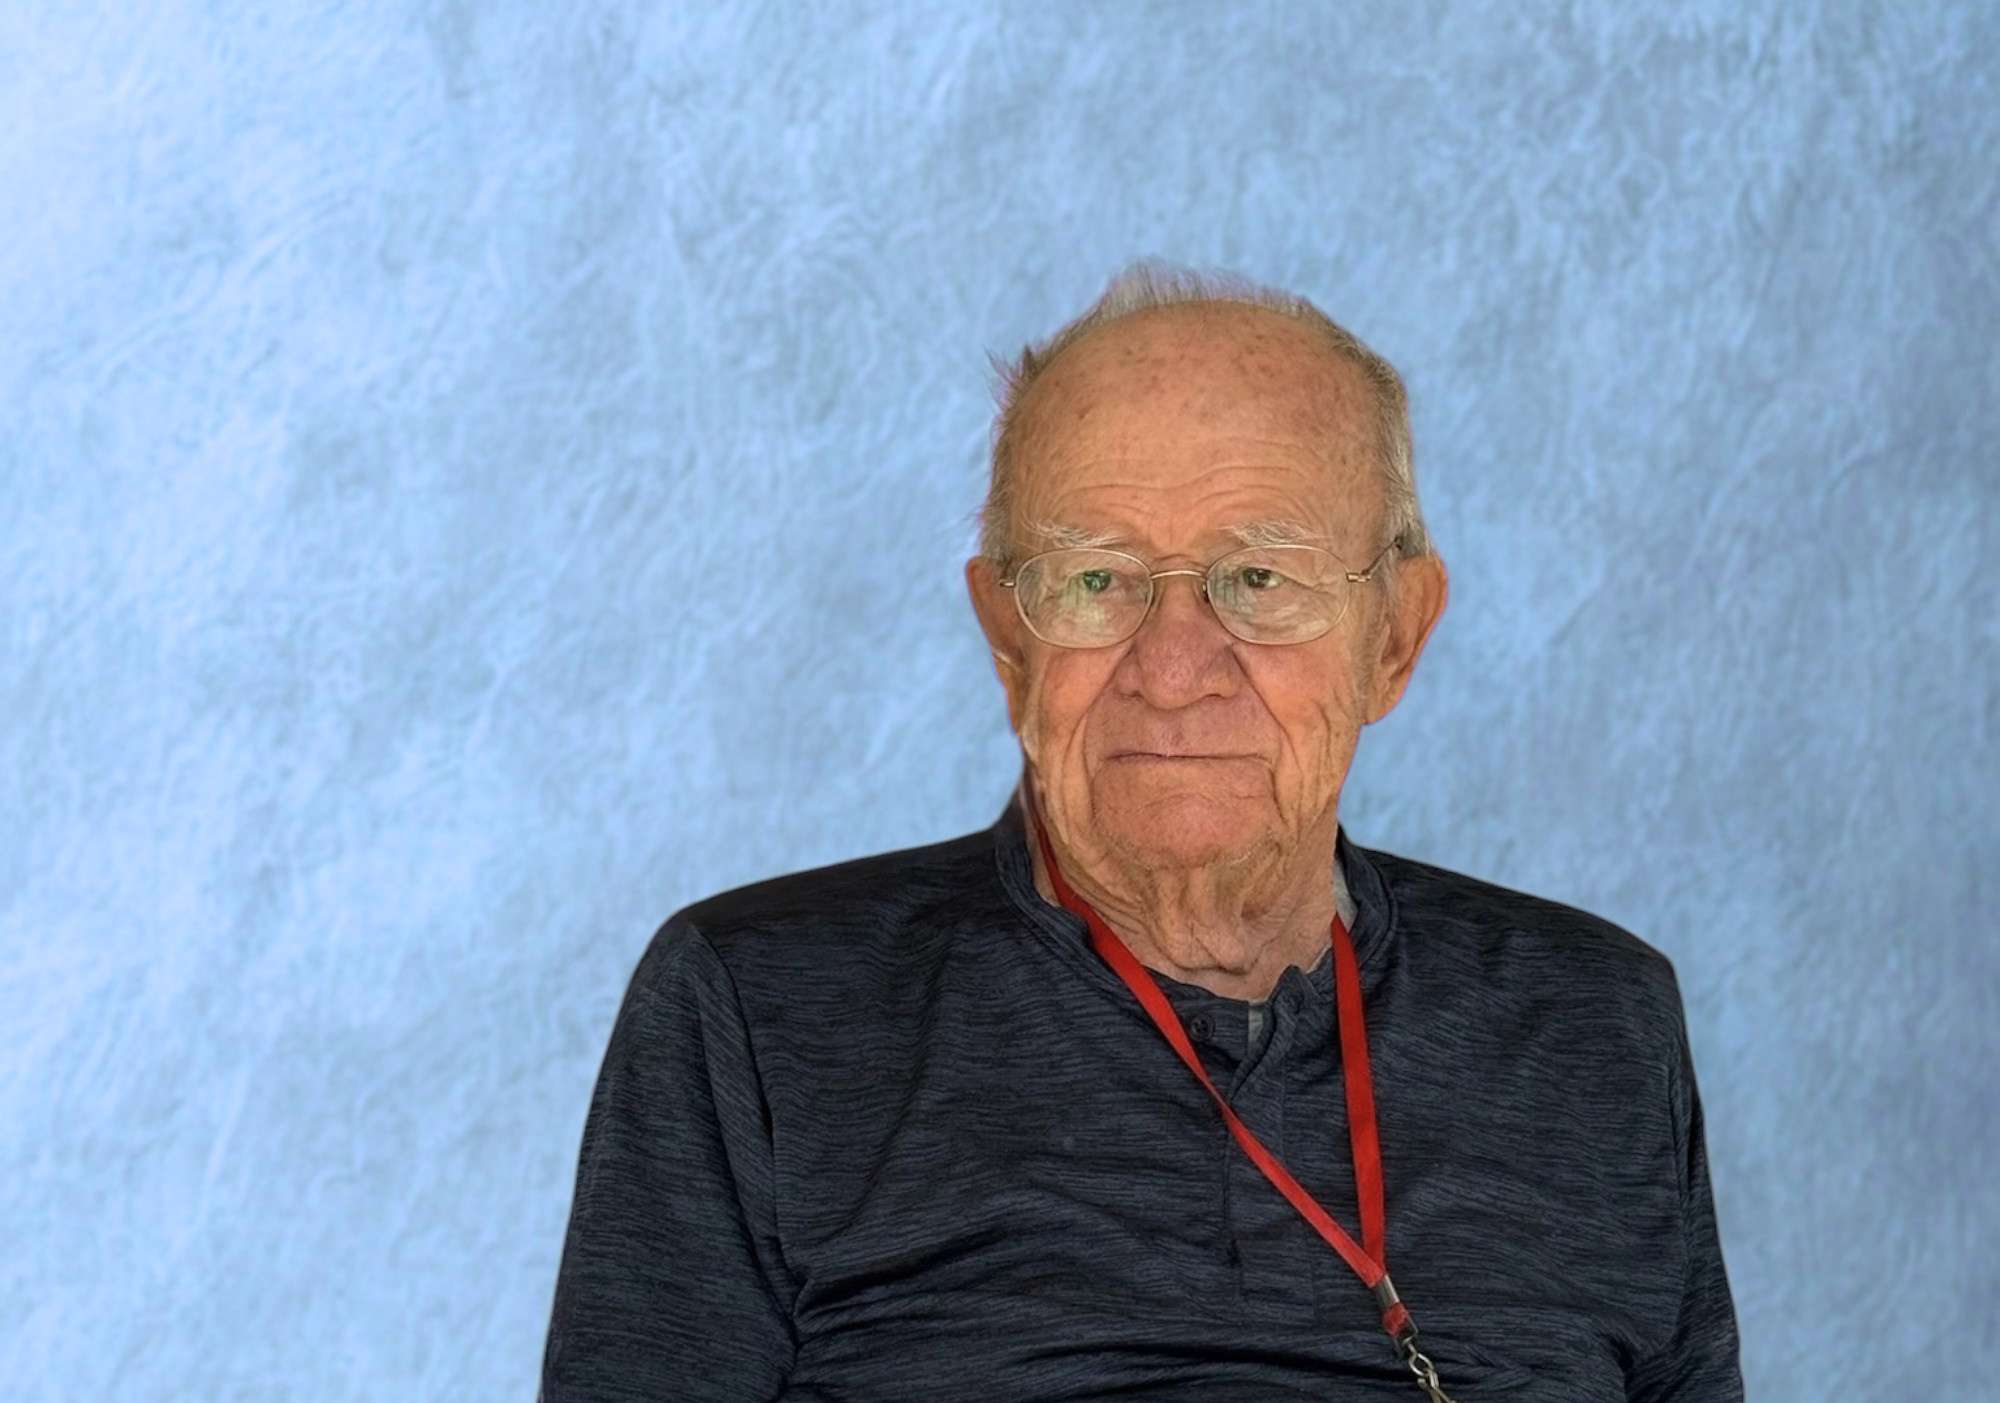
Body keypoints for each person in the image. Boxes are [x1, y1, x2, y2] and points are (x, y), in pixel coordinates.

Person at [540, 265, 1743, 1401]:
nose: (1170, 671)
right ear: (1008, 641)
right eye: (1094, 580)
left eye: (1259, 577)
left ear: (1394, 635)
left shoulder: (1594, 1021)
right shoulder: (759, 1009)